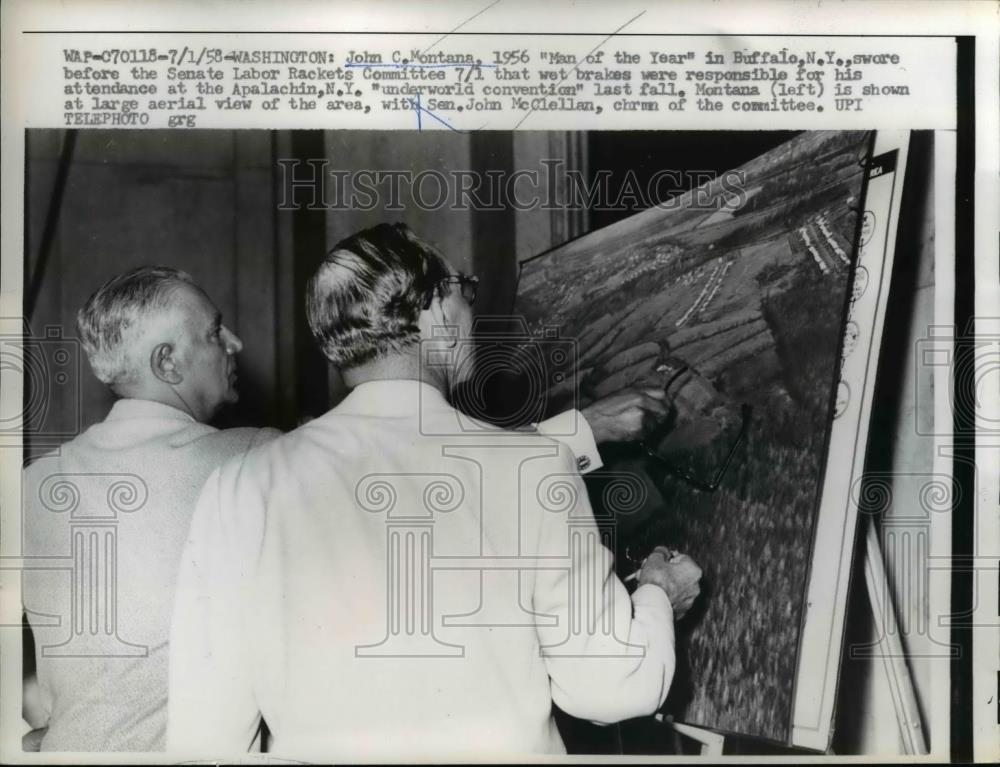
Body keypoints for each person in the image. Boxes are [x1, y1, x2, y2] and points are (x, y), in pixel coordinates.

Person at [166, 223, 702, 760]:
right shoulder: (535, 468)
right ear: (436, 314)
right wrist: (656, 593)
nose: (473, 312)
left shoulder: (239, 487)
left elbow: (205, 737)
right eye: (464, 291)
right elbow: (613, 688)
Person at [21, 267, 280, 751]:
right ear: (168, 363)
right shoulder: (259, 459)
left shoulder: (33, 483)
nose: (235, 343)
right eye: (214, 331)